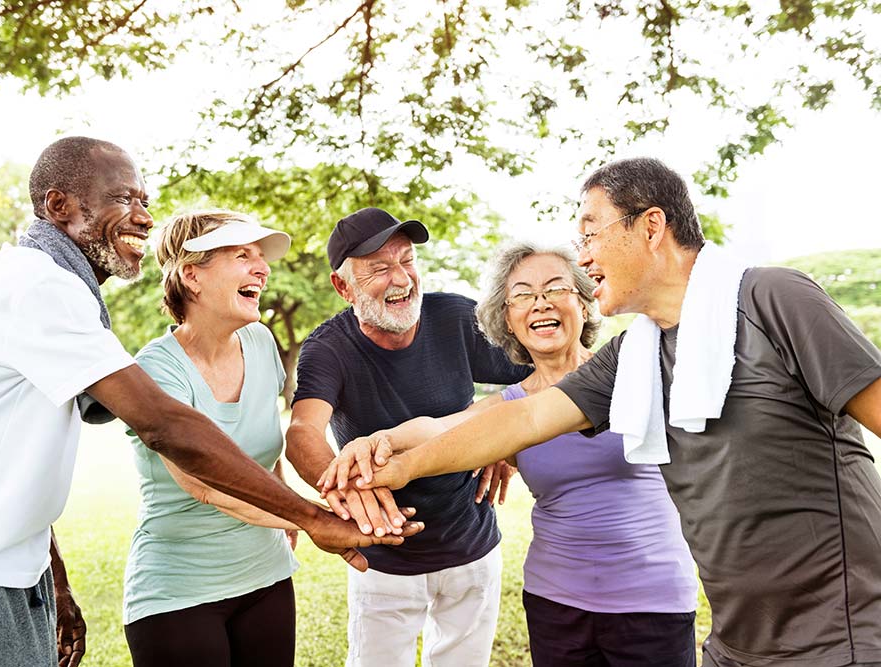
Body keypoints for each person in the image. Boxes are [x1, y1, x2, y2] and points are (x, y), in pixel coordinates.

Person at [0, 137, 420, 667]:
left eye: (144, 201)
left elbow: (17, 457)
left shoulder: (62, 294)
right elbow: (166, 426)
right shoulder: (37, 287)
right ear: (58, 206)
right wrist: (312, 518)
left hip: (8, 568)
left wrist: (53, 580)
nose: (142, 217)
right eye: (123, 199)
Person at [340, 158, 881, 667]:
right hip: (736, 642)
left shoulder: (773, 299)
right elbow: (523, 419)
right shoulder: (638, 354)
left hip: (843, 637)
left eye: (591, 233)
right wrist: (397, 462)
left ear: (650, 227)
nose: (585, 254)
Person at [325, 241, 698, 666]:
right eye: (522, 295)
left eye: (555, 289)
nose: (539, 304)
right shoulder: (510, 406)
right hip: (556, 603)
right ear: (508, 319)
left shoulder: (635, 372)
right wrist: (377, 441)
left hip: (653, 601)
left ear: (584, 300)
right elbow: (441, 427)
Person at [286, 207, 528, 667]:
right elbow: (302, 432)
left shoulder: (456, 317)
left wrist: (505, 443)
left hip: (472, 549)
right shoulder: (328, 348)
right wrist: (348, 492)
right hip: (384, 560)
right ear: (343, 287)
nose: (401, 278)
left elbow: (545, 373)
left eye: (407, 260)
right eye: (379, 268)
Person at [121, 209, 302, 666]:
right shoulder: (157, 369)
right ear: (191, 276)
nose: (261, 268)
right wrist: (305, 517)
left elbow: (264, 448)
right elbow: (204, 483)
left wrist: (282, 507)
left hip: (267, 576)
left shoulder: (260, 343)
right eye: (242, 255)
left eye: (261, 257)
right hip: (178, 590)